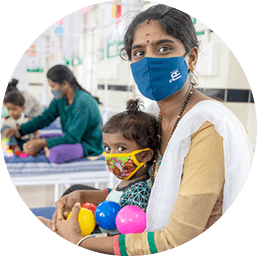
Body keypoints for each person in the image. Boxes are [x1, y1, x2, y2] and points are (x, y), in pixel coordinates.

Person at [46, 4, 253, 254]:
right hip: (144, 230)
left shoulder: (207, 126)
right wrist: (85, 196)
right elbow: (143, 189)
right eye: (139, 52)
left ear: (192, 58)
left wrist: (80, 241)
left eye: (164, 48)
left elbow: (176, 239)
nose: (149, 60)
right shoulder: (155, 115)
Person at [37, 99, 159, 236]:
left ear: (145, 156)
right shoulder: (129, 181)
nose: (111, 155)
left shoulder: (138, 193)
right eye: (107, 148)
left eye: (121, 148)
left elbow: (125, 236)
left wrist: (77, 236)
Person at [5, 65, 104, 164]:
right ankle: (46, 148)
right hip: (71, 138)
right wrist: (19, 130)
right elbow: (44, 119)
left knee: (54, 155)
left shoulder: (82, 102)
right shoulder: (60, 99)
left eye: (53, 86)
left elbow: (73, 138)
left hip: (87, 145)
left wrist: (43, 143)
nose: (51, 90)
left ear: (64, 84)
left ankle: (48, 150)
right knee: (33, 141)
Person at [1, 91, 40, 156]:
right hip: (13, 144)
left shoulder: (27, 119)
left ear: (23, 108)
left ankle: (29, 151)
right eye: (9, 109)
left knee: (40, 144)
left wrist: (34, 139)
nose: (11, 112)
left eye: (14, 109)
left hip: (26, 142)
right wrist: (5, 144)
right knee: (5, 128)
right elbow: (4, 135)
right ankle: (16, 150)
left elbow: (37, 132)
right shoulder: (6, 121)